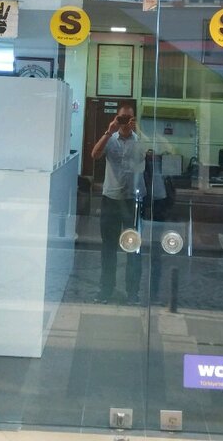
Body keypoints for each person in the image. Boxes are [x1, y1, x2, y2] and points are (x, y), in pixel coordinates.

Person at [90, 102, 146, 304]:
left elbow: (146, 156)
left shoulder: (138, 140)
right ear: (116, 118)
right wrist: (108, 131)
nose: (124, 122)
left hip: (132, 201)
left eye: (128, 118)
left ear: (133, 120)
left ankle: (133, 292)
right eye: (122, 118)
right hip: (111, 200)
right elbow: (95, 154)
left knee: (133, 249)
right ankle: (106, 290)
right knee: (108, 248)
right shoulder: (111, 138)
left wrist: (137, 130)